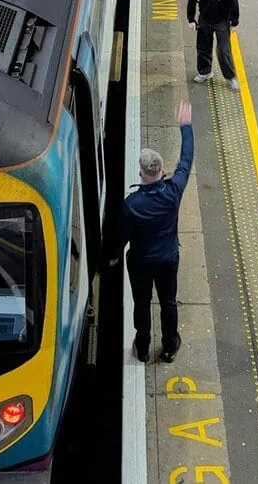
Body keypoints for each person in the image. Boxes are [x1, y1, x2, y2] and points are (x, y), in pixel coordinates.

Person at [107, 102, 194, 364]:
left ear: (141, 173)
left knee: (142, 303)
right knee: (168, 301)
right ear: (161, 170)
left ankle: (143, 347)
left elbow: (120, 237)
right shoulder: (174, 191)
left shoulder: (131, 205)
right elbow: (187, 158)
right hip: (168, 259)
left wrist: (112, 257)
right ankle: (169, 346)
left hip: (141, 263)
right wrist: (186, 126)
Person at [187, 0, 240, 91]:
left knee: (224, 50)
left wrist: (234, 22)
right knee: (203, 48)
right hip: (204, 21)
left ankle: (230, 77)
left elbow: (234, 4)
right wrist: (191, 19)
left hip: (222, 22)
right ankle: (205, 72)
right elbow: (191, 2)